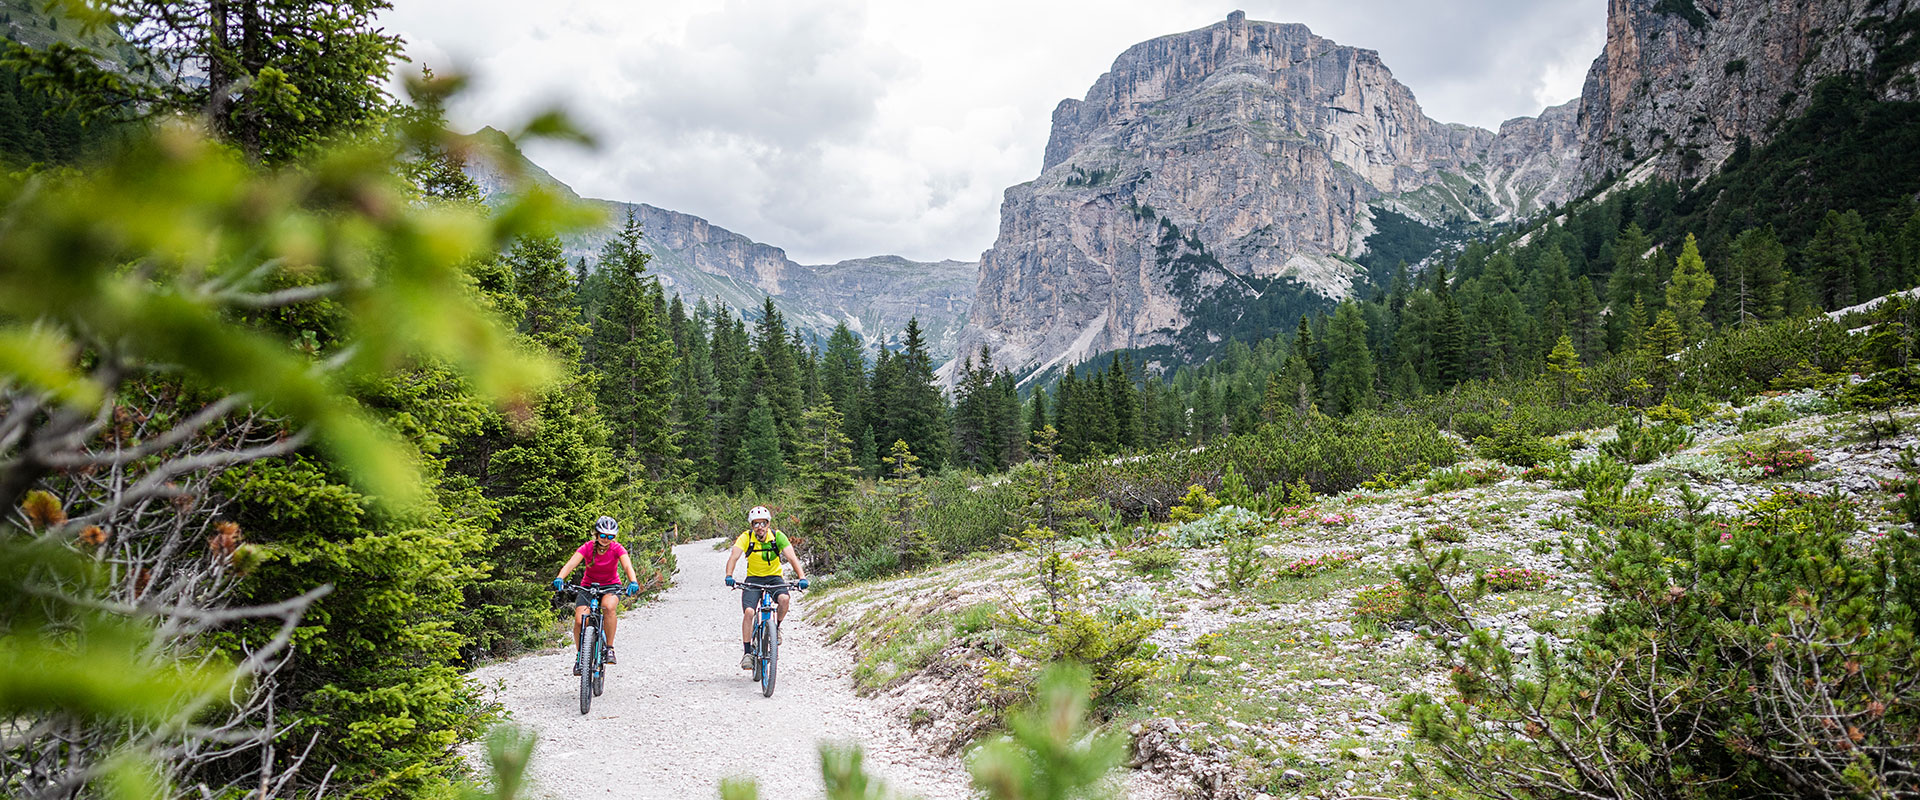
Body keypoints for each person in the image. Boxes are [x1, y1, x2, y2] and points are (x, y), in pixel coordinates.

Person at [552, 515, 642, 673]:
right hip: (588, 586)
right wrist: (560, 577)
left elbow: (627, 566)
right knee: (580, 621)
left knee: (608, 607)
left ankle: (609, 648)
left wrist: (633, 581)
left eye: (610, 536)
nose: (606, 539)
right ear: (596, 534)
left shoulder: (617, 548)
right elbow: (571, 564)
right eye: (603, 535)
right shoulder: (587, 547)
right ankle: (581, 655)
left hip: (611, 586)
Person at [723, 505, 807, 670]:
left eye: (763, 523)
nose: (760, 527)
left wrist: (802, 577)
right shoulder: (746, 538)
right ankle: (747, 653)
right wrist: (729, 575)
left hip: (774, 578)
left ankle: (776, 629)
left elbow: (792, 557)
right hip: (753, 579)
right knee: (749, 612)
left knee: (784, 599)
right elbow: (734, 556)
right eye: (756, 524)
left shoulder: (778, 537)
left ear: (768, 524)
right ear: (751, 525)